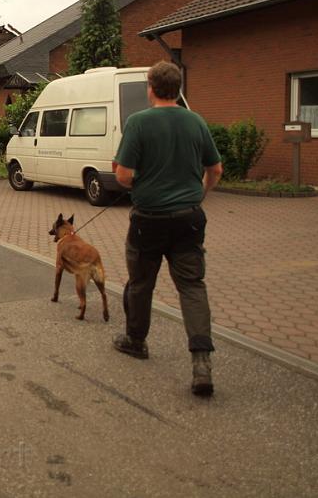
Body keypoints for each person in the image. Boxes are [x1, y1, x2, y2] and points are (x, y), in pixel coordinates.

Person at [112, 61, 223, 396]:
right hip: (189, 219)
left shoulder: (138, 122)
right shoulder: (196, 121)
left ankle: (136, 341)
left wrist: (141, 180)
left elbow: (123, 176)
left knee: (141, 283)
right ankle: (201, 362)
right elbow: (215, 169)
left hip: (149, 220)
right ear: (177, 88)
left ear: (151, 87)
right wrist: (198, 197)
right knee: (192, 286)